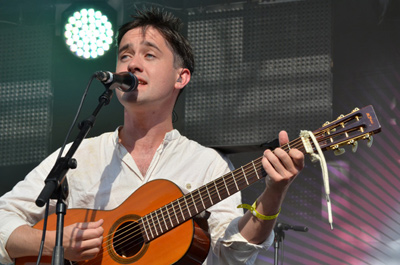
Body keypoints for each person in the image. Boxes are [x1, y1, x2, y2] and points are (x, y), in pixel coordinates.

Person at [0, 8, 304, 265]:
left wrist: (273, 193)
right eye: (125, 55)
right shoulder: (80, 154)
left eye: (149, 54)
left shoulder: (206, 164)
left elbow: (232, 254)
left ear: (180, 77)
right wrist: (54, 241)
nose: (132, 64)